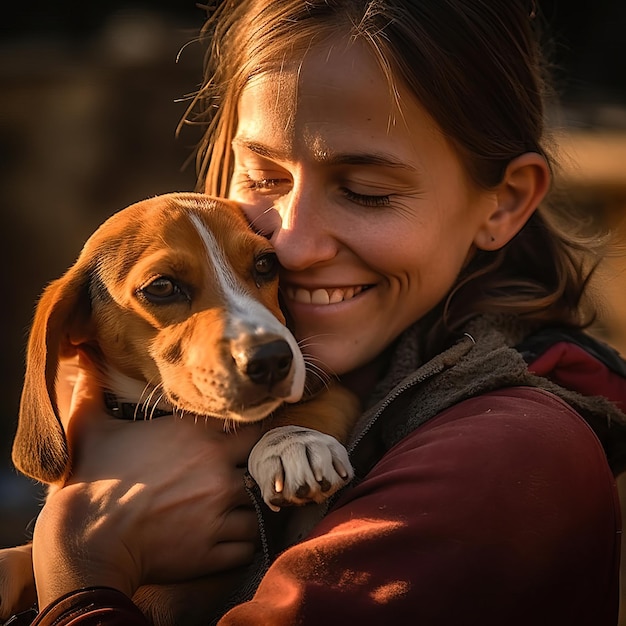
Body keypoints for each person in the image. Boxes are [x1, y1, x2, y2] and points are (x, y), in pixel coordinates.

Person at [10, 1, 626, 624]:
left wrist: (79, 570)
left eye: (367, 193)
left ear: (503, 203)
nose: (292, 248)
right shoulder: (342, 365)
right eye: (265, 177)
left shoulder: (506, 460)